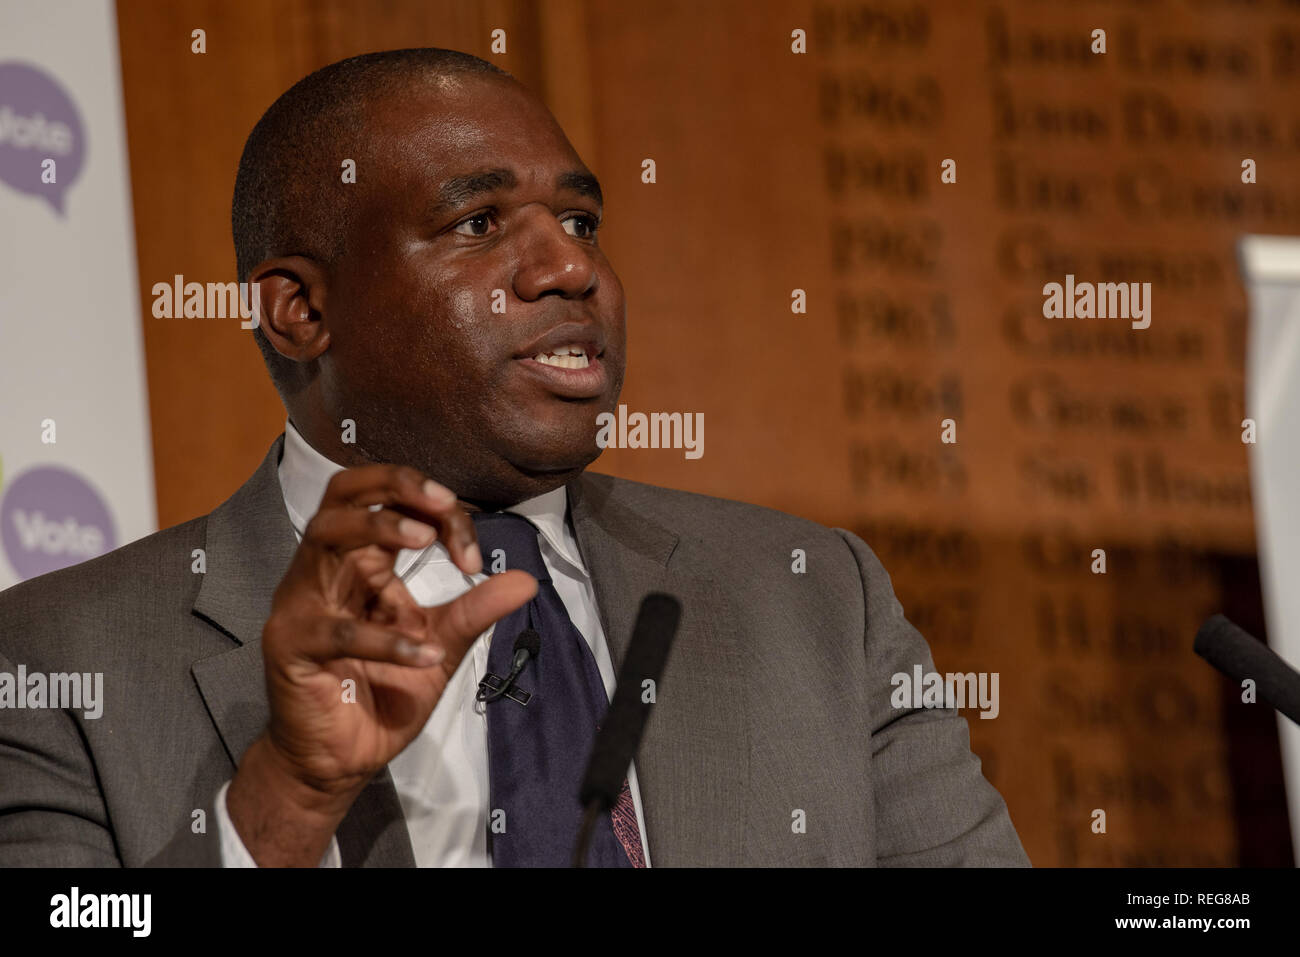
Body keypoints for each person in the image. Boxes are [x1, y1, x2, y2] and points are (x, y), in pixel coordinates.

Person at [0, 48, 1029, 867]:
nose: (572, 267)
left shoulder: (812, 601)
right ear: (302, 309)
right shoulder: (55, 658)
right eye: (479, 221)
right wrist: (288, 798)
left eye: (580, 220)